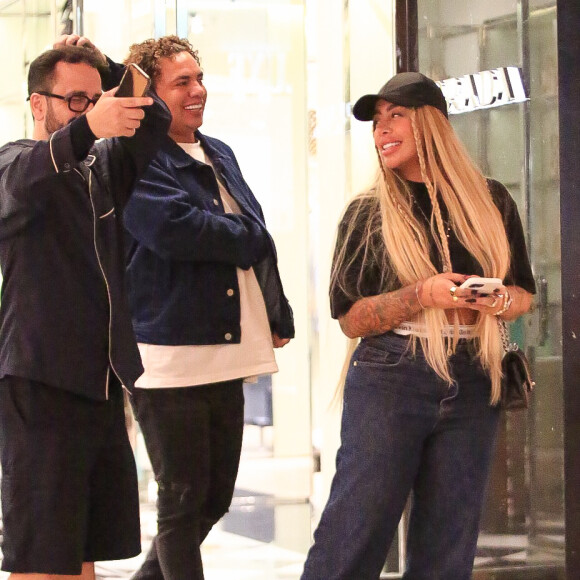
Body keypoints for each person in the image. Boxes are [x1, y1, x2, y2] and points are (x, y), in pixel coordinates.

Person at [300, 72, 536, 580]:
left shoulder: (491, 201)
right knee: (356, 530)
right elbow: (351, 317)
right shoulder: (367, 214)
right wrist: (419, 296)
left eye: (395, 116)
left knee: (450, 541)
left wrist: (497, 300)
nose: (382, 130)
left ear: (430, 125)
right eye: (376, 120)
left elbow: (524, 295)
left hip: (476, 374)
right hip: (393, 374)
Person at [120, 36, 295, 580]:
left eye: (199, 79)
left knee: (215, 497)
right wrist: (243, 235)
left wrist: (275, 310)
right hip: (168, 351)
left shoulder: (219, 150)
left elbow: (251, 229)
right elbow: (175, 231)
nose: (197, 91)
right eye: (181, 82)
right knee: (182, 498)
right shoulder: (134, 155)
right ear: (150, 94)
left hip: (228, 343)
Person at [0, 35, 171, 579]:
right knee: (40, 550)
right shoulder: (16, 162)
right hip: (39, 383)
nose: (89, 109)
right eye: (76, 99)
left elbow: (157, 120)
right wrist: (89, 126)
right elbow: (27, 181)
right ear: (37, 103)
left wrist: (113, 67)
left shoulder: (101, 169)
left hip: (100, 385)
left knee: (81, 550)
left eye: (95, 98)